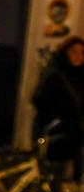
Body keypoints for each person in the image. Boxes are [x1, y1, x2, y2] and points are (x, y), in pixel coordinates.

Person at [30, 35, 84, 181]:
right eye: (74, 51)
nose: (78, 56)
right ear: (65, 51)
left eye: (82, 53)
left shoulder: (80, 76)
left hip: (74, 135)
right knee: (50, 175)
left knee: (71, 177)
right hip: (54, 133)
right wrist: (62, 115)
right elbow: (38, 100)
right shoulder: (54, 73)